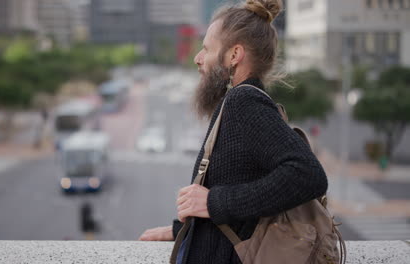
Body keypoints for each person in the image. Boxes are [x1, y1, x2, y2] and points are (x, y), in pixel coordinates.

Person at [139, 0, 329, 263]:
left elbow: (308, 175)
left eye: (206, 49)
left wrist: (214, 202)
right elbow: (243, 197)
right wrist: (180, 230)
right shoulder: (237, 103)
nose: (198, 58)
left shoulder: (245, 102)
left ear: (234, 55)